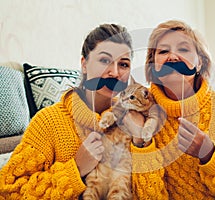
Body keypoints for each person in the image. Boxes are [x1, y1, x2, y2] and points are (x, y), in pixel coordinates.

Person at [123, 20, 215, 199]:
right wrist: (141, 143)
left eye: (183, 49)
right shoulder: (140, 112)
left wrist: (210, 153)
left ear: (199, 63)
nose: (173, 57)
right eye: (163, 51)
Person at [0, 23, 134, 199]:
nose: (115, 72)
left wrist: (142, 144)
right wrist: (75, 170)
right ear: (84, 65)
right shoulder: (48, 122)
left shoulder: (133, 120)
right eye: (104, 61)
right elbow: (8, 191)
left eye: (123, 64)